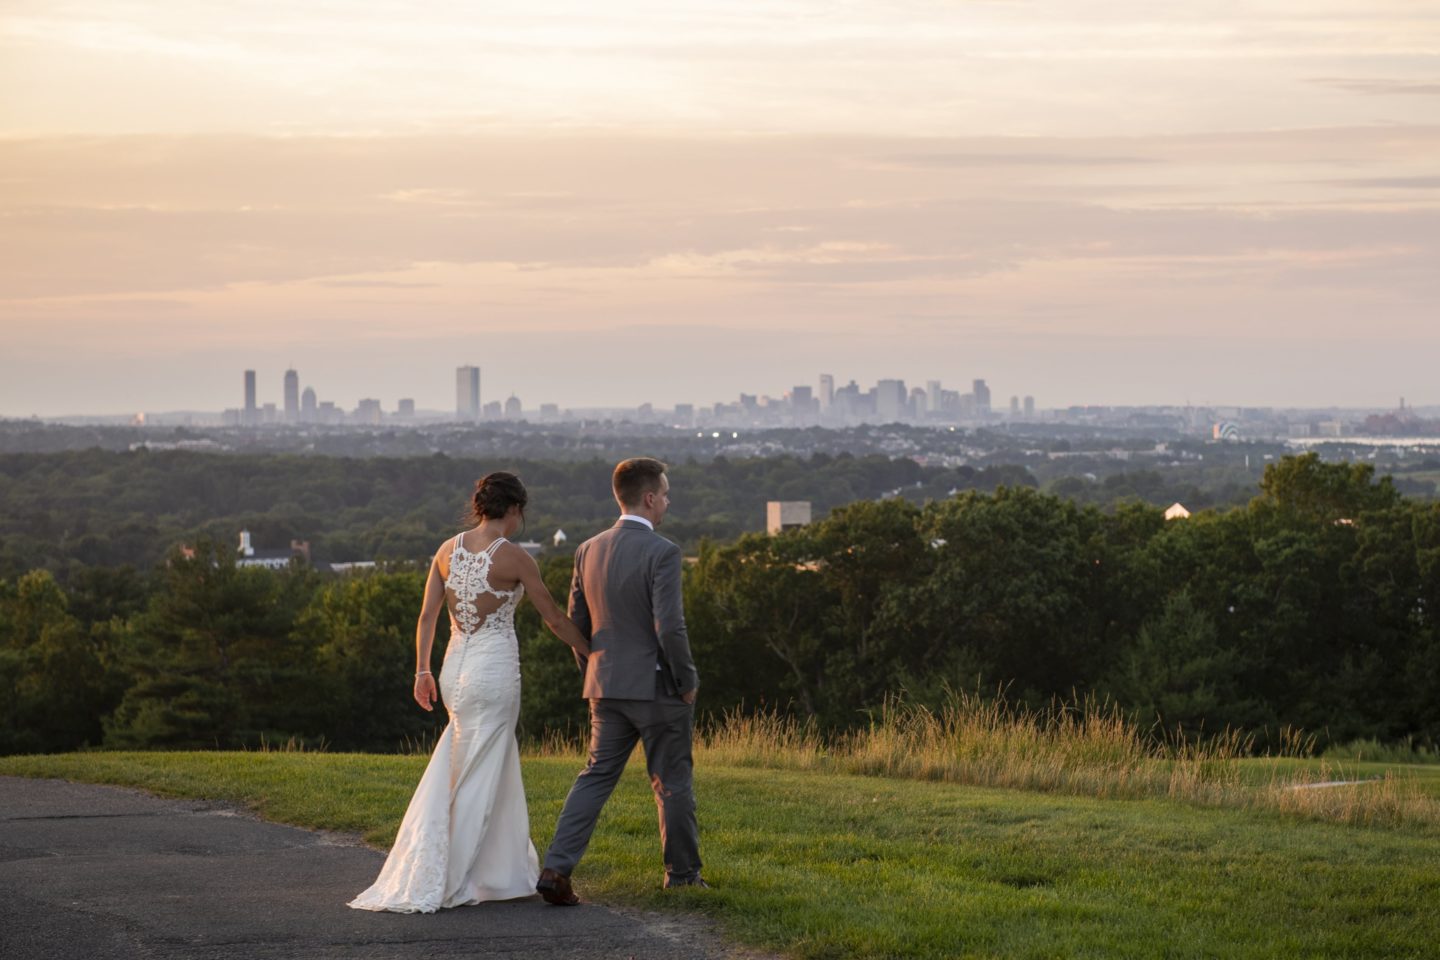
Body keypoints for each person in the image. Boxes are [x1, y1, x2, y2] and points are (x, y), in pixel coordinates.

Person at [349, 471, 590, 913]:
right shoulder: (514, 558)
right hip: (493, 671)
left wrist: (421, 671)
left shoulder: (447, 550)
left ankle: (493, 871)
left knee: (464, 763)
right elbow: (554, 617)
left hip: (453, 668)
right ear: (515, 509)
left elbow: (427, 617)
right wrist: (592, 651)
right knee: (483, 768)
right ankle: (454, 872)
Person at [537, 457, 704, 905]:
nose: (667, 502)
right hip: (656, 689)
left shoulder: (587, 549)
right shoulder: (663, 552)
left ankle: (556, 868)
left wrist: (592, 670)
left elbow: (577, 622)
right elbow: (669, 627)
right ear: (649, 498)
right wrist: (686, 679)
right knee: (672, 781)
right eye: (665, 495)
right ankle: (683, 876)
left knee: (594, 777)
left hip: (604, 685)